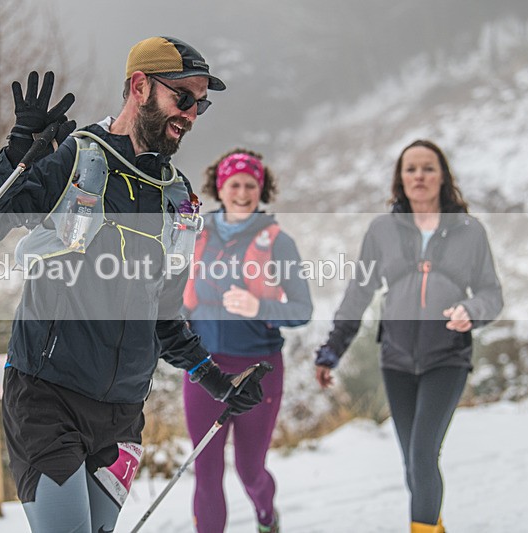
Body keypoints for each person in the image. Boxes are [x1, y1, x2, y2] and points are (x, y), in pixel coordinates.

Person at [0, 37, 266, 533]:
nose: (192, 114)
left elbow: (164, 316)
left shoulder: (176, 199)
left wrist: (216, 380)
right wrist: (16, 155)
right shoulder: (77, 161)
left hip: (121, 415)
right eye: (183, 97)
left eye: (201, 104)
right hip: (46, 398)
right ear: (140, 86)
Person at [314, 139, 503, 533]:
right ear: (400, 178)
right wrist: (332, 349)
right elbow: (359, 292)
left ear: (443, 176)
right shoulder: (382, 230)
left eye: (428, 168)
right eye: (411, 168)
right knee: (412, 460)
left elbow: (492, 294)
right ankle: (433, 524)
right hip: (396, 358)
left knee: (422, 453)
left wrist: (473, 311)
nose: (419, 176)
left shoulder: (470, 231)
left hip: (447, 356)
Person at [181, 149, 313, 533]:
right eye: (233, 184)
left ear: (261, 189)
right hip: (203, 367)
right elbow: (174, 294)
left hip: (259, 370)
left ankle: (266, 517)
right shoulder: (195, 235)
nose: (241, 192)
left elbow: (302, 309)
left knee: (249, 467)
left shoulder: (279, 242)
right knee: (206, 468)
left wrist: (260, 306)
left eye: (250, 185)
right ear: (219, 188)